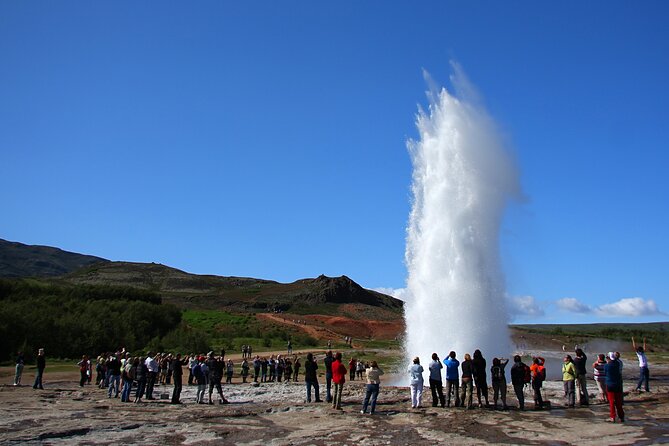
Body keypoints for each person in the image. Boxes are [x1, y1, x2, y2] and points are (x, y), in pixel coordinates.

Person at [605, 352, 624, 422]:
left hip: (610, 385)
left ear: (609, 358)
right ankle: (621, 416)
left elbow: (605, 372)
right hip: (618, 384)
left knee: (611, 402)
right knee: (618, 402)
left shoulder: (607, 366)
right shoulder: (618, 363)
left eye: (607, 358)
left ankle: (612, 417)